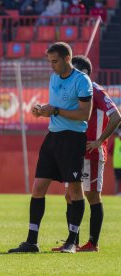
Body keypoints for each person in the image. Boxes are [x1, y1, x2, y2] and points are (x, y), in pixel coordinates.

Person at [8, 42, 93, 254]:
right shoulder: (54, 77)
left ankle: (72, 241)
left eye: (55, 61)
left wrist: (55, 110)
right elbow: (56, 106)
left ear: (67, 59)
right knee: (37, 188)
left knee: (74, 190)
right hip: (52, 138)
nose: (51, 66)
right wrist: (42, 111)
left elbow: (85, 114)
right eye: (49, 61)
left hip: (72, 139)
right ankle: (31, 241)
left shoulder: (82, 81)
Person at [51, 56, 121, 252]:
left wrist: (100, 140)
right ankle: (72, 242)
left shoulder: (96, 90)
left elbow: (116, 116)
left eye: (75, 71)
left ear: (85, 74)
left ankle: (92, 243)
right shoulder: (74, 92)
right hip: (74, 152)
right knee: (69, 196)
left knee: (91, 195)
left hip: (91, 153)